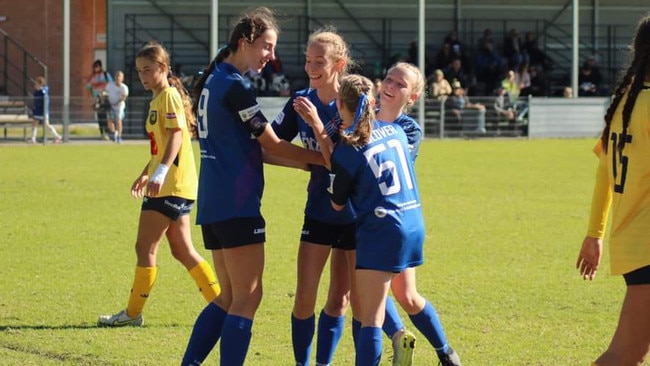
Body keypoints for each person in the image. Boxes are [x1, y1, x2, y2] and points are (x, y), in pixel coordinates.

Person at [180, 7, 325, 366]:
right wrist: (327, 160)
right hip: (236, 204)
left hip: (214, 204)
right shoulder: (235, 85)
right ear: (245, 41)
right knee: (249, 296)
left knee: (229, 296)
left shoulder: (215, 80)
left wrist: (308, 165)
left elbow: (256, 151)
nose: (270, 57)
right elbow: (272, 144)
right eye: (267, 46)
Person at [300, 74, 457, 365]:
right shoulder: (394, 131)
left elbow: (337, 203)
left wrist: (323, 138)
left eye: (401, 84)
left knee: (370, 316)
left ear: (339, 105)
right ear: (371, 101)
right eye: (390, 80)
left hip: (381, 227)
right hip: (412, 220)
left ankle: (406, 340)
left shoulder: (354, 147)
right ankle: (446, 354)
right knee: (402, 296)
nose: (391, 86)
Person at [97, 41, 220, 327]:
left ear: (163, 68)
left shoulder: (168, 97)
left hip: (170, 186)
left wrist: (160, 172)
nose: (142, 75)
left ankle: (132, 313)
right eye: (139, 70)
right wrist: (147, 171)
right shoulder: (159, 98)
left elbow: (177, 137)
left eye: (148, 69)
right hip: (174, 185)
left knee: (145, 248)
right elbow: (161, 145)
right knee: (182, 250)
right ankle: (223, 307)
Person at [576, 14, 650, 366]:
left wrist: (595, 234)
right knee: (623, 356)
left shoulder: (626, 103)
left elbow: (604, 174)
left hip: (633, 241)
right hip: (647, 244)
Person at [28, 76, 61, 144]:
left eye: (37, 84)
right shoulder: (36, 92)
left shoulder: (44, 91)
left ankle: (57, 136)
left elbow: (45, 99)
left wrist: (44, 111)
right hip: (37, 111)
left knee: (46, 124)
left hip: (43, 111)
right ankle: (33, 138)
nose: (35, 85)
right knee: (34, 123)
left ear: (40, 84)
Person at [85, 59, 113, 140]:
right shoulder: (92, 76)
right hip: (96, 99)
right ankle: (102, 133)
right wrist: (91, 98)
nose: (95, 69)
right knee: (100, 117)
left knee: (106, 116)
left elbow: (110, 84)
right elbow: (88, 87)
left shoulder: (105, 75)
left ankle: (108, 132)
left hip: (104, 98)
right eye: (94, 67)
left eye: (97, 67)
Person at [105, 70, 129, 143]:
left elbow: (124, 97)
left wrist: (116, 103)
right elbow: (105, 92)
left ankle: (119, 136)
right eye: (117, 76)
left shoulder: (124, 87)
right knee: (110, 120)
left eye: (120, 77)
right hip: (110, 105)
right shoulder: (110, 85)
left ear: (122, 78)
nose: (118, 78)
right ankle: (114, 134)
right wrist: (103, 96)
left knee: (118, 120)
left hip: (119, 106)